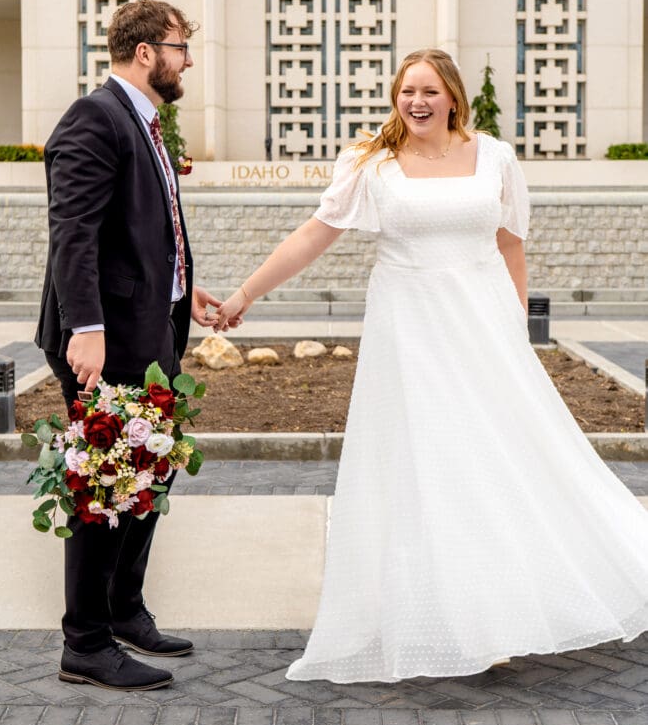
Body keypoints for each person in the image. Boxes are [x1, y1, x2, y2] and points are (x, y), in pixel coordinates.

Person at [216, 48, 648, 683]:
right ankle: (453, 611)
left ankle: (504, 600)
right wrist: (242, 295)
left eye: (428, 90)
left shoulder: (495, 157)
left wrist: (519, 331)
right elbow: (313, 234)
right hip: (410, 332)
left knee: (498, 457)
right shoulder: (373, 165)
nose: (416, 101)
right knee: (431, 464)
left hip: (484, 328)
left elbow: (509, 244)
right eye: (405, 91)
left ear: (452, 97)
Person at [36, 0, 228, 691]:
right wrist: (84, 326)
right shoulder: (96, 117)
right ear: (145, 52)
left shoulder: (142, 121)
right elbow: (74, 233)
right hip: (107, 341)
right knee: (104, 484)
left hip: (151, 329)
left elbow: (144, 229)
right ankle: (84, 643)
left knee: (149, 472)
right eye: (180, 47)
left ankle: (123, 609)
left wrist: (182, 290)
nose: (187, 60)